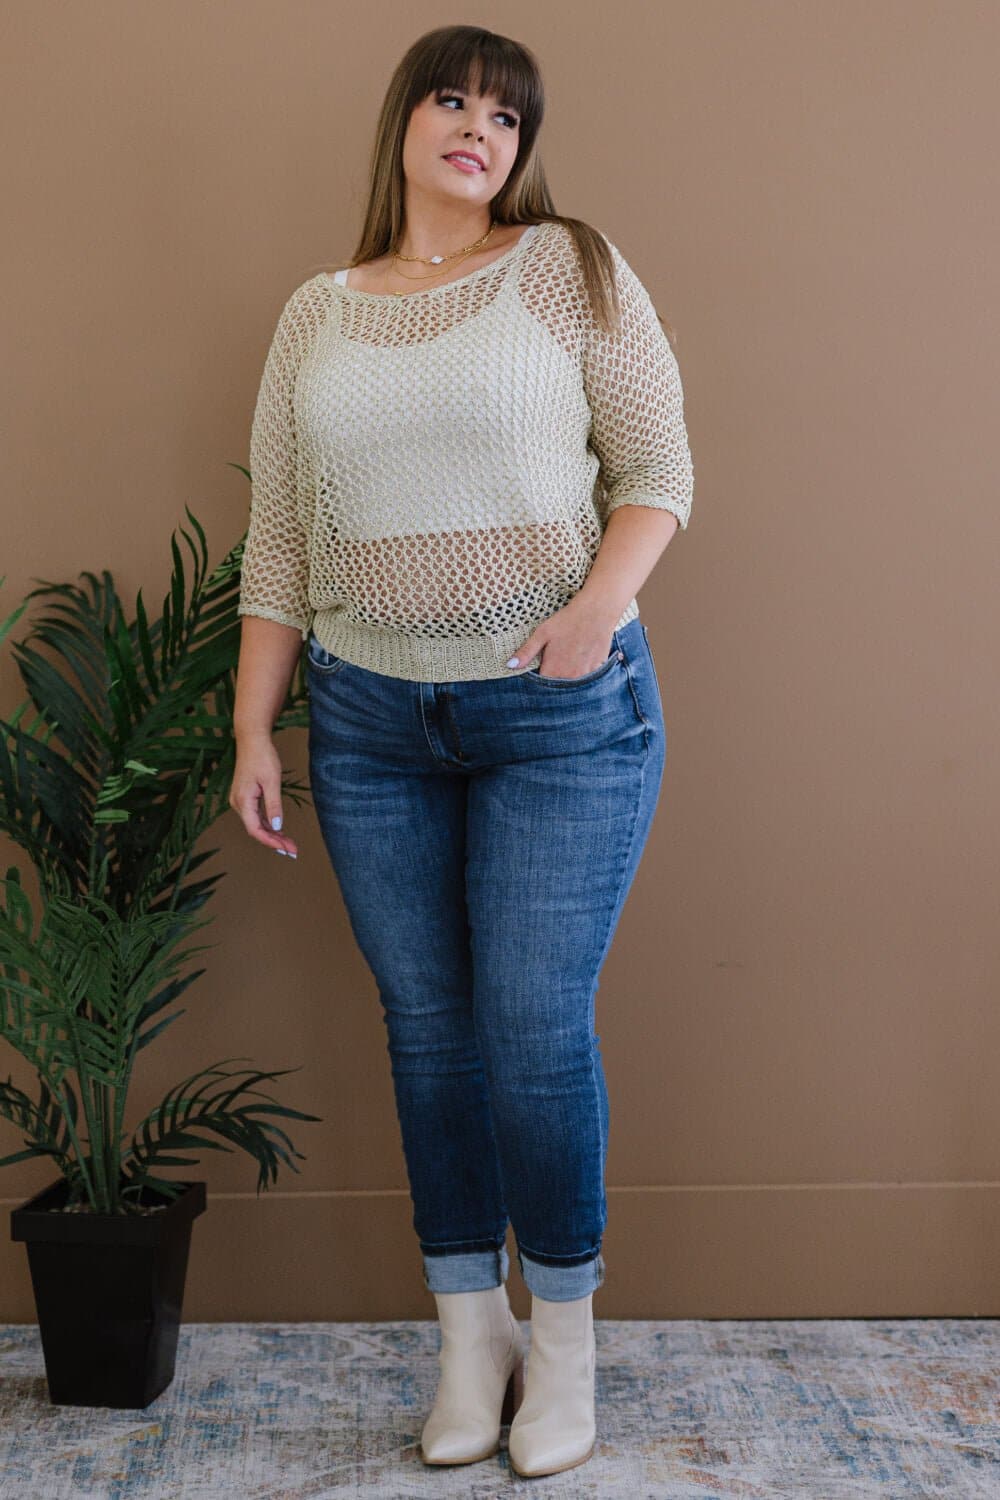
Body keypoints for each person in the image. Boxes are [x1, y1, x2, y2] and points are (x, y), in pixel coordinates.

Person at [229, 22, 694, 1480]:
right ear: (405, 122)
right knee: (428, 1031)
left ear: (521, 149)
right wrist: (252, 724)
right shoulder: (317, 313)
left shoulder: (570, 269)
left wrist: (595, 613)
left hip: (558, 719)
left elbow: (659, 471)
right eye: (454, 101)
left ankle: (564, 1344)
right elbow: (279, 541)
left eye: (507, 116)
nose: (480, 131)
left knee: (533, 1028)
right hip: (369, 724)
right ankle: (467, 1337)